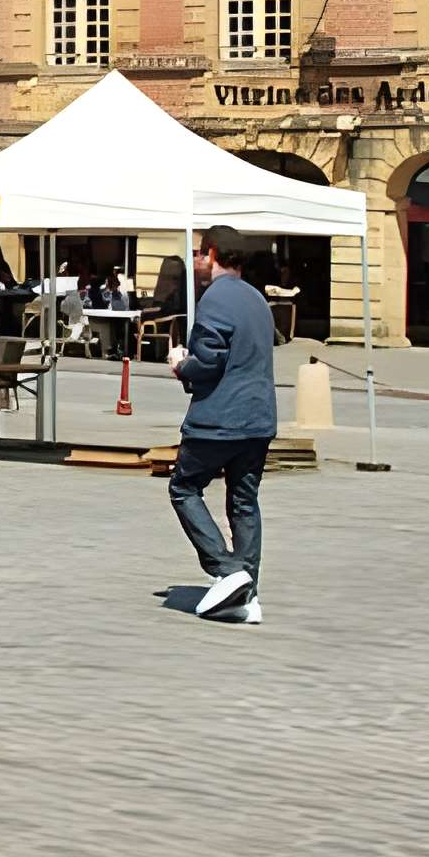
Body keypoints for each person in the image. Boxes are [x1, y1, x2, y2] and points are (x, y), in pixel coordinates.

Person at [167, 227, 279, 625]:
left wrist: (182, 365)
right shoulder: (256, 298)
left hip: (219, 418)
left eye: (199, 254)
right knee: (244, 500)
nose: (196, 261)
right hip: (259, 418)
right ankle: (247, 592)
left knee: (183, 486)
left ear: (212, 253)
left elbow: (211, 360)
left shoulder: (214, 298)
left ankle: (229, 571)